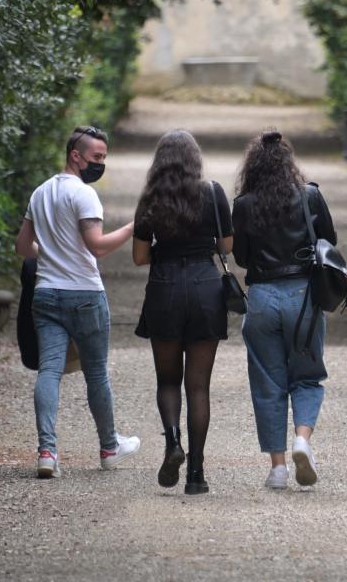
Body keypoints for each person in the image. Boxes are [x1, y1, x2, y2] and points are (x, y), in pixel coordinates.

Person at [15, 125, 141, 479]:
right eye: (96, 157)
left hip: (46, 294)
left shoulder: (40, 192)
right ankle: (109, 447)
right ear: (76, 155)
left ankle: (47, 451)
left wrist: (53, 254)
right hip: (84, 294)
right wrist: (132, 227)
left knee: (50, 371)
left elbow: (23, 248)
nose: (100, 164)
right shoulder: (84, 195)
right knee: (96, 372)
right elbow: (97, 245)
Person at [232, 130, 337, 490]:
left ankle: (278, 469)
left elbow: (242, 257)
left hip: (261, 297)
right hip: (303, 295)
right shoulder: (310, 196)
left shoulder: (244, 205)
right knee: (307, 375)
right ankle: (302, 440)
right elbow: (329, 243)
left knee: (267, 382)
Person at [132, 129, 231, 495]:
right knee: (199, 387)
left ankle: (173, 442)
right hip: (206, 288)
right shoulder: (213, 192)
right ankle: (197, 474)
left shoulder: (151, 199)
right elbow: (228, 246)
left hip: (165, 289)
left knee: (168, 380)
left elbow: (140, 257)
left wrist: (166, 251)